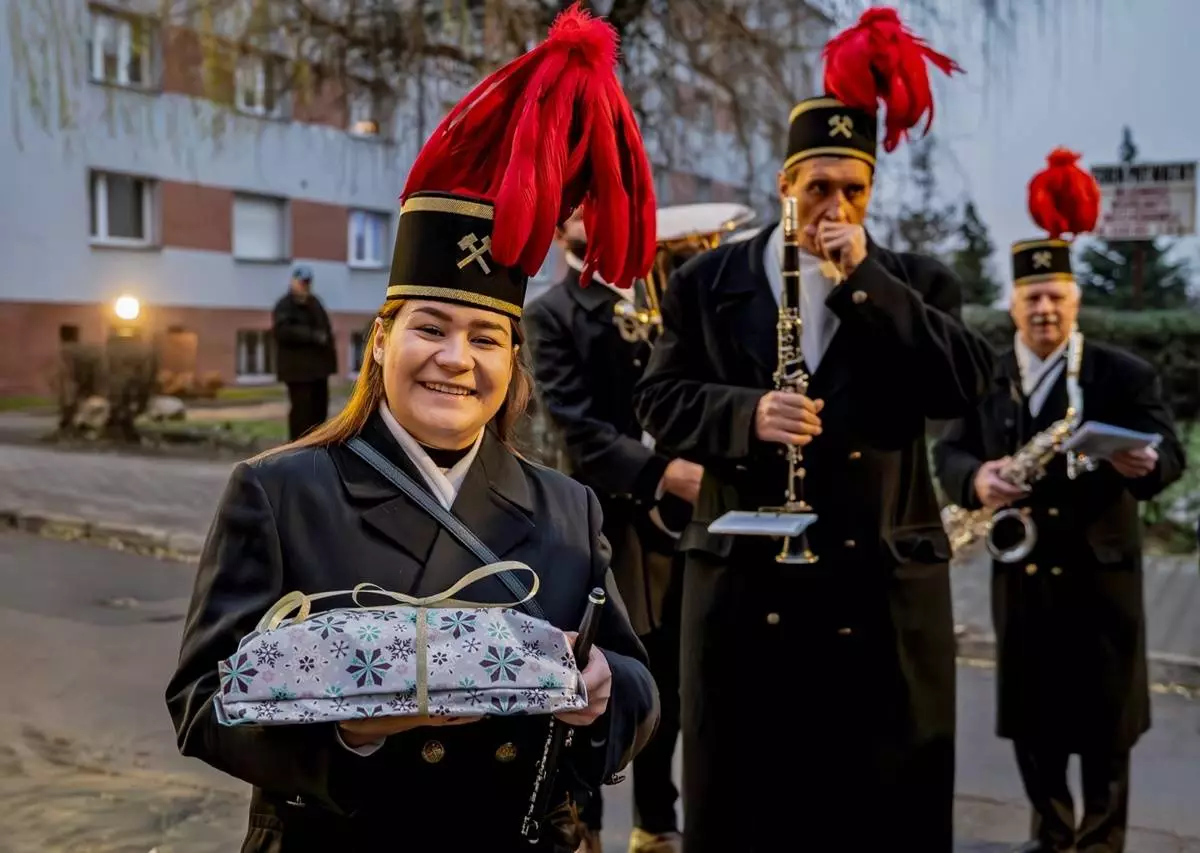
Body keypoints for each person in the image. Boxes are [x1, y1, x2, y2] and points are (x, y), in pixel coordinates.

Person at [165, 7, 660, 850]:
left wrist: (609, 691)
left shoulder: (568, 506)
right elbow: (202, 701)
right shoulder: (280, 491)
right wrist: (356, 733)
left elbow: (638, 680)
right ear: (383, 340)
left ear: (512, 362)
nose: (455, 359)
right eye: (431, 328)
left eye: (485, 338)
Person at [631, 7, 995, 851]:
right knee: (750, 805)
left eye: (853, 190)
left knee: (877, 811)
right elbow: (658, 400)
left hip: (876, 590)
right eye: (817, 186)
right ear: (785, 182)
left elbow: (963, 384)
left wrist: (866, 281)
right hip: (747, 589)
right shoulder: (707, 280)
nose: (833, 205)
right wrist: (744, 414)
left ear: (871, 193)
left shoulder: (916, 281)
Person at [934, 148, 1186, 853]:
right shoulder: (986, 374)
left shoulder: (1121, 372)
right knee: (1034, 722)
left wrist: (1147, 462)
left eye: (1056, 298)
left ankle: (1102, 842)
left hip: (1102, 578)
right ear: (1014, 304)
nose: (1043, 308)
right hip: (1023, 581)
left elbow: (1171, 452)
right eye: (1031, 298)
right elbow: (948, 451)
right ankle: (1050, 834)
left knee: (1106, 727)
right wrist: (975, 480)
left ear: (1075, 303)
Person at [525, 211, 699, 853]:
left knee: (669, 686)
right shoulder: (551, 312)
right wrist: (664, 472)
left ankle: (657, 820)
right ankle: (582, 823)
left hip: (672, 530)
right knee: (586, 681)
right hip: (596, 528)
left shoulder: (664, 297)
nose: (592, 219)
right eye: (576, 210)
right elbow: (574, 425)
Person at [272, 265, 338, 440]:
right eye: (301, 283)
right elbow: (283, 332)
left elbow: (326, 330)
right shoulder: (285, 306)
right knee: (301, 412)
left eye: (307, 284)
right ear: (293, 282)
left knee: (319, 410)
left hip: (318, 371)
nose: (304, 287)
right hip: (297, 371)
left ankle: (315, 444)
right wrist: (312, 336)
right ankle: (297, 446)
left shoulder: (315, 303)